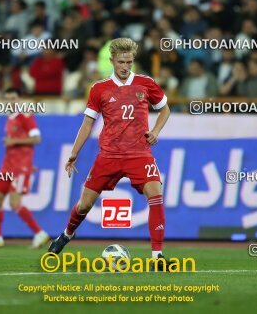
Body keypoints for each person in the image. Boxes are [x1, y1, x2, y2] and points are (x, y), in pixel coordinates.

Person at [48, 38, 174, 270]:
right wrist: (74, 153)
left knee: (156, 195)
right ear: (112, 61)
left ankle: (157, 257)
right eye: (121, 62)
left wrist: (156, 131)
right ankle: (66, 235)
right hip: (109, 155)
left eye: (129, 62)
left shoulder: (146, 83)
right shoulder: (99, 88)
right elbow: (87, 124)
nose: (125, 66)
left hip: (139, 153)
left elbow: (165, 108)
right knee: (84, 206)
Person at [0, 88, 49, 248]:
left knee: (15, 203)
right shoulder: (9, 117)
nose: (10, 102)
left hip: (19, 168)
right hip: (7, 165)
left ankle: (39, 233)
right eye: (7, 99)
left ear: (19, 99)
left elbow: (36, 138)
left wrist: (14, 142)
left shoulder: (25, 115)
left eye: (13, 98)